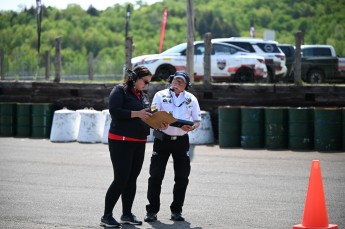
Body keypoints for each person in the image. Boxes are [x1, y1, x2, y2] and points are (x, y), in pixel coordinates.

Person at [144, 71, 201, 222]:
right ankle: (152, 210)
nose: (177, 83)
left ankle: (177, 211)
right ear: (170, 81)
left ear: (186, 86)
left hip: (181, 140)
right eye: (175, 80)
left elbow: (197, 120)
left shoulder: (191, 99)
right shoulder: (160, 95)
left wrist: (192, 127)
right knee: (155, 175)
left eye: (181, 82)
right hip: (161, 138)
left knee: (182, 177)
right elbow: (154, 114)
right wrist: (159, 121)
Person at [100, 66, 153, 228]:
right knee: (121, 178)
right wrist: (137, 114)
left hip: (139, 141)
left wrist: (157, 121)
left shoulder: (143, 95)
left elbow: (146, 115)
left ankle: (126, 214)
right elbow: (115, 111)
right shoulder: (119, 90)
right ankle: (106, 216)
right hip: (121, 140)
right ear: (135, 78)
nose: (146, 85)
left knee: (132, 179)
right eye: (145, 81)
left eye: (148, 83)